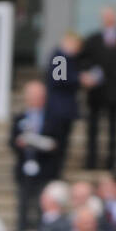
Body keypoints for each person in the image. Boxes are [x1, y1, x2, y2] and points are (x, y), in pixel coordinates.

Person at [79, 5, 116, 172]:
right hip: (95, 92)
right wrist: (87, 76)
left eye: (111, 16)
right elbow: (82, 60)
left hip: (115, 92)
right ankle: (90, 160)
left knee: (113, 128)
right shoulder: (92, 39)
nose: (109, 19)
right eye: (106, 16)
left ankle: (112, 161)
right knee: (92, 128)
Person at [10, 81, 60, 231]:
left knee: (42, 204)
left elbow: (57, 142)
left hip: (45, 167)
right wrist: (19, 144)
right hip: (24, 166)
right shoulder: (20, 117)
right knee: (23, 203)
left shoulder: (52, 118)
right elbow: (11, 140)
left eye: (38, 96)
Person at [44, 32, 83, 179]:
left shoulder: (68, 58)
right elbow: (59, 79)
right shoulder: (60, 57)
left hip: (63, 110)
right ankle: (53, 174)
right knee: (58, 144)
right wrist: (79, 79)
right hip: (59, 110)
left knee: (62, 144)